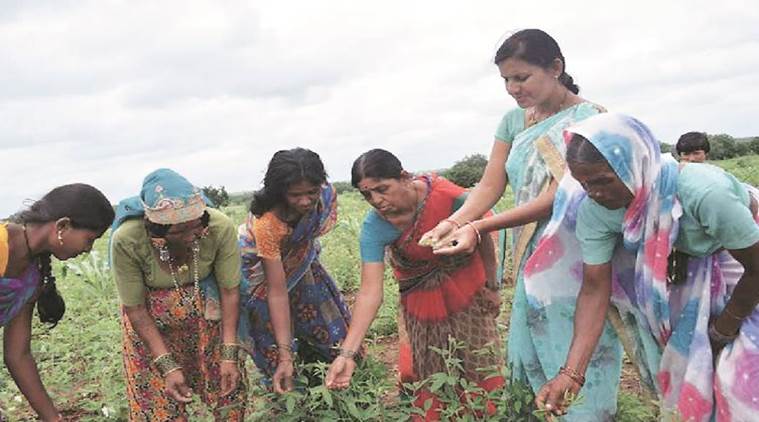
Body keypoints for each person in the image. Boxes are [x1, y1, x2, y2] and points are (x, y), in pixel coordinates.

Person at [419, 29, 622, 419]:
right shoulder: (515, 121)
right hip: (533, 255)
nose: (512, 88)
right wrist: (455, 220)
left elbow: (559, 195)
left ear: (556, 68)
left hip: (578, 254)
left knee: (579, 349)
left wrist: (479, 229)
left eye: (522, 77)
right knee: (530, 356)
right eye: (506, 80)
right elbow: (493, 181)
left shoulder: (592, 121)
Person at [533, 113, 759, 421]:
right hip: (685, 275)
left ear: (635, 164)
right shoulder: (597, 211)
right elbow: (594, 288)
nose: (594, 192)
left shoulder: (703, 192)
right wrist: (572, 373)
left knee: (743, 376)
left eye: (603, 181)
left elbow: (757, 267)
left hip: (742, 268)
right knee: (698, 373)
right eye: (584, 183)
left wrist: (723, 328)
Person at [325, 149, 503, 420]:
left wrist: (493, 286)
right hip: (421, 299)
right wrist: (347, 354)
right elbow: (370, 291)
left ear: (404, 177)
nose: (377, 201)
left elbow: (484, 234)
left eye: (382, 189)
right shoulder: (375, 227)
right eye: (367, 195)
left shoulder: (448, 198)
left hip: (468, 288)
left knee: (475, 362)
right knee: (424, 370)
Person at [110, 169, 245, 421]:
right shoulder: (128, 240)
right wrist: (166, 364)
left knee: (228, 394)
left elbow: (229, 292)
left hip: (208, 329)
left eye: (196, 225)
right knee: (160, 409)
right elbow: (136, 309)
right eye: (179, 230)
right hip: (151, 336)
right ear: (156, 230)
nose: (192, 235)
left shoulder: (217, 227)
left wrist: (229, 352)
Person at [238, 148, 353, 394]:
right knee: (278, 350)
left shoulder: (325, 193)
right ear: (280, 192)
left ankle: (344, 389)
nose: (305, 201)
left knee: (333, 337)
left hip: (303, 268)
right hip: (263, 283)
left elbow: (305, 237)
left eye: (311, 192)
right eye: (295, 195)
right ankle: (293, 402)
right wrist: (285, 354)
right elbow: (276, 291)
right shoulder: (267, 223)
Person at [1, 184, 114, 421]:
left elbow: (17, 354)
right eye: (89, 239)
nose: (88, 250)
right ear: (62, 226)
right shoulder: (2, 245)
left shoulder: (33, 273)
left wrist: (53, 418)